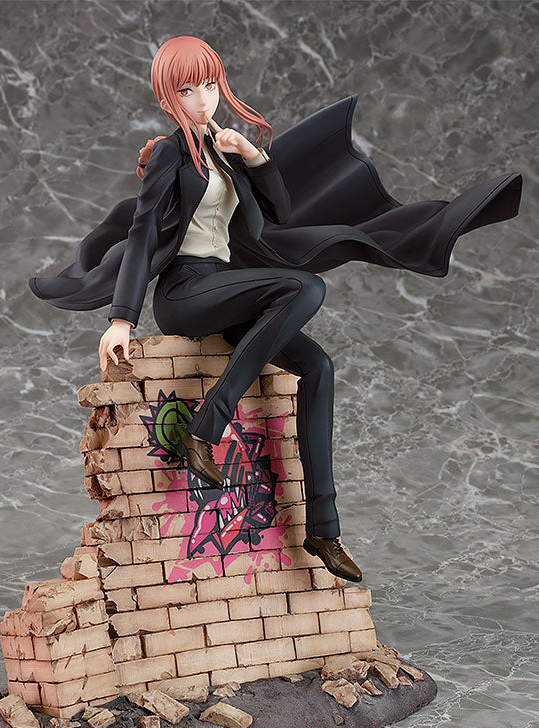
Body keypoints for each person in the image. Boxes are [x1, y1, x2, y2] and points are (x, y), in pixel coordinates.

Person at [29, 35, 522, 585]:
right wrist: (122, 318)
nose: (203, 100)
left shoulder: (224, 152)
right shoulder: (171, 153)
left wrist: (253, 156)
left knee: (318, 366)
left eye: (210, 85)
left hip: (229, 286)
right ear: (168, 97)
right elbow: (144, 233)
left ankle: (323, 528)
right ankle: (206, 426)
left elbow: (279, 213)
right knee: (305, 288)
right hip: (186, 293)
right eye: (187, 91)